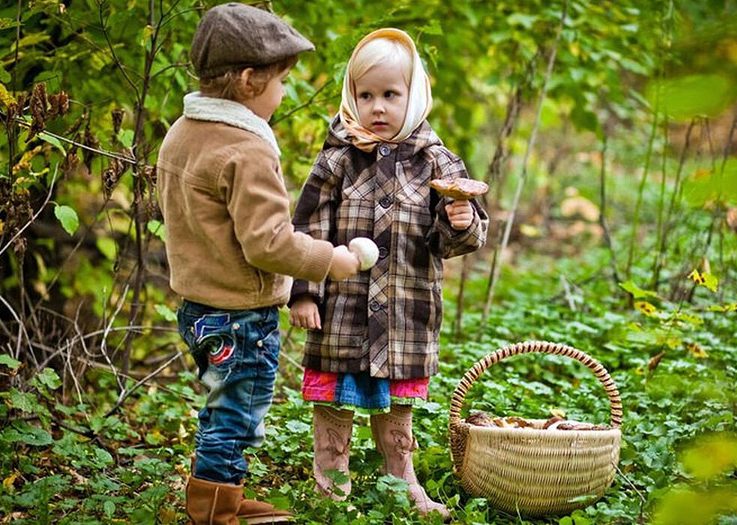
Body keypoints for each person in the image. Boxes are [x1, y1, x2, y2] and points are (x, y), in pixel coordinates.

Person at [155, 4, 360, 524]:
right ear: (249, 81)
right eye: (282, 82)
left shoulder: (183, 130)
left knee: (223, 405)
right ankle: (213, 512)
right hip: (241, 314)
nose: (284, 93)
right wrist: (329, 260)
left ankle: (222, 495)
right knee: (237, 413)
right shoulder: (245, 149)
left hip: (199, 303)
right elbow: (268, 243)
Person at [289, 28, 489, 521]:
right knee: (334, 401)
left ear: (414, 95)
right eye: (366, 95)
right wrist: (304, 294)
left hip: (405, 310)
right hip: (341, 311)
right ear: (351, 97)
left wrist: (458, 222)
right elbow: (308, 229)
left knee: (397, 408)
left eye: (390, 95)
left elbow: (452, 242)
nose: (377, 107)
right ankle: (330, 485)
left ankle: (403, 484)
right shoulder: (336, 161)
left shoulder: (437, 162)